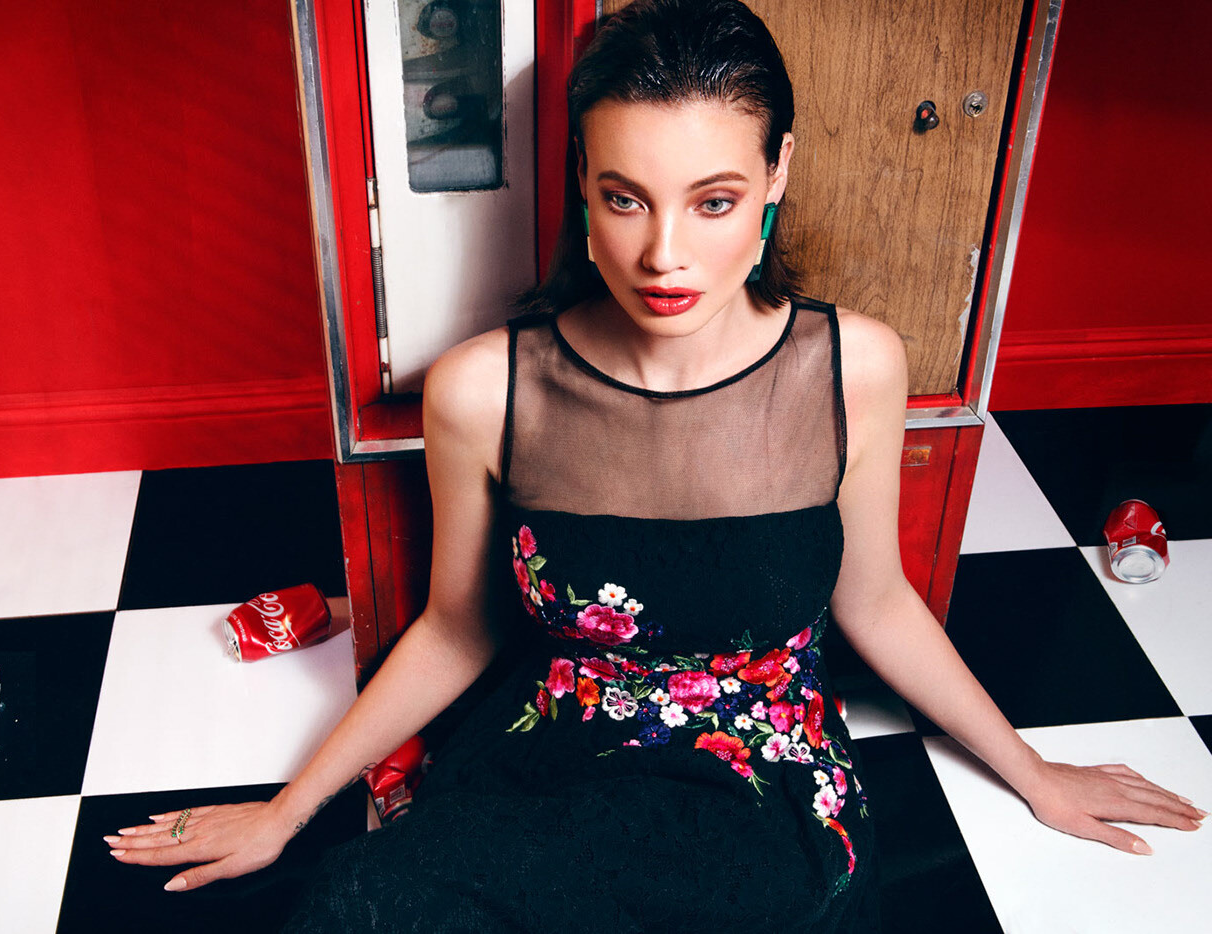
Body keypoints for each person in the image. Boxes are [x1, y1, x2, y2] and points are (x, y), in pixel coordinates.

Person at [105, 1, 1205, 929]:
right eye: (624, 197)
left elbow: (875, 601)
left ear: (777, 173)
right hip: (544, 761)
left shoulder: (851, 368)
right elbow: (456, 627)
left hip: (760, 791)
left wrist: (1032, 771)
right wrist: (288, 812)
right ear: (582, 183)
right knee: (352, 904)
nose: (663, 254)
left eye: (712, 201)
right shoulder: (484, 388)